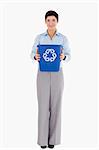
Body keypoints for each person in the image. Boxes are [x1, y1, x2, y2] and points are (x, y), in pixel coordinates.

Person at [30, 10, 71, 149]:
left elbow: (69, 55)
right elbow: (32, 53)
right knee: (43, 107)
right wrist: (35, 56)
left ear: (57, 21)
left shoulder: (63, 38)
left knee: (56, 106)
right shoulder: (39, 37)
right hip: (42, 73)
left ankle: (53, 140)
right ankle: (42, 141)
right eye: (48, 20)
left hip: (57, 74)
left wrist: (63, 57)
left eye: (53, 20)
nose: (51, 22)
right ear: (45, 21)